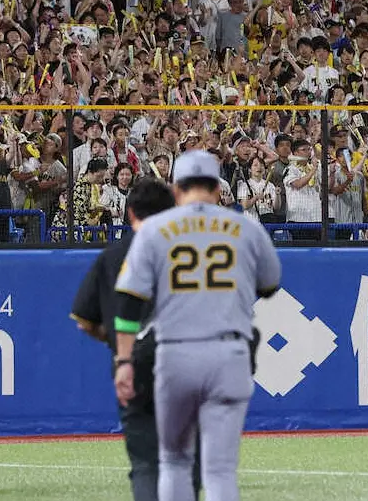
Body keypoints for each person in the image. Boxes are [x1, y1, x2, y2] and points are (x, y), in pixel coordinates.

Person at [114, 150, 281, 501]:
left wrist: (125, 362)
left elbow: (128, 302)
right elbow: (269, 285)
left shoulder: (154, 230)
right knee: (219, 470)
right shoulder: (246, 227)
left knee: (174, 461)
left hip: (176, 353)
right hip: (228, 353)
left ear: (176, 190)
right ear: (218, 190)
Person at [71, 176, 200, 501]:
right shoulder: (191, 254)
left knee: (145, 462)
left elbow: (84, 322)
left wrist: (117, 342)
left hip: (133, 364)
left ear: (130, 214)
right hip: (186, 361)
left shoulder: (112, 256)